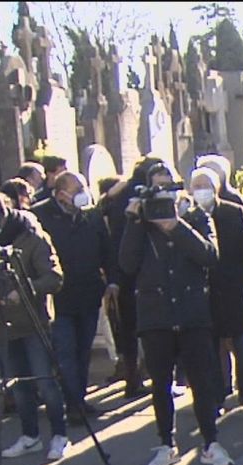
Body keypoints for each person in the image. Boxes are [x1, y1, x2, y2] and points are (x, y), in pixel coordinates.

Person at [119, 162, 233, 465]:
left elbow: (210, 256)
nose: (163, 196)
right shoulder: (140, 224)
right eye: (157, 189)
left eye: (168, 187)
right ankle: (166, 442)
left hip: (192, 312)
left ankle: (211, 440)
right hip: (156, 315)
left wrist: (178, 226)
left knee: (201, 379)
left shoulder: (195, 216)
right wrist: (133, 220)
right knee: (160, 383)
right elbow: (127, 265)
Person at [0, 189, 69, 460]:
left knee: (45, 381)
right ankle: (30, 435)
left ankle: (59, 433)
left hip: (34, 322)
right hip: (1, 324)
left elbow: (54, 277)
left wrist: (24, 289)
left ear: (1, 217)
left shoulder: (31, 236)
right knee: (19, 386)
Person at [31, 171, 116, 421]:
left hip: (88, 294)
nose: (82, 193)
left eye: (83, 187)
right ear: (61, 194)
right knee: (65, 354)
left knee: (82, 352)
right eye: (76, 189)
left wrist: (112, 281)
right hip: (59, 299)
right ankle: (73, 405)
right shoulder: (41, 216)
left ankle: (79, 399)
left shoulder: (91, 215)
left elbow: (106, 249)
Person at [188, 167, 243, 413]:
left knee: (242, 346)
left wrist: (240, 279)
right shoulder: (189, 218)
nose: (201, 191)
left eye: (205, 185)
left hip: (233, 290)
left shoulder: (233, 212)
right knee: (212, 350)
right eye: (196, 186)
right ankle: (218, 396)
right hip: (206, 294)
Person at [101, 158, 163, 399]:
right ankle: (153, 375)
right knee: (152, 326)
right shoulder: (151, 197)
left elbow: (102, 215)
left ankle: (132, 377)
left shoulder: (120, 196)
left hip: (122, 269)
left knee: (128, 328)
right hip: (146, 269)